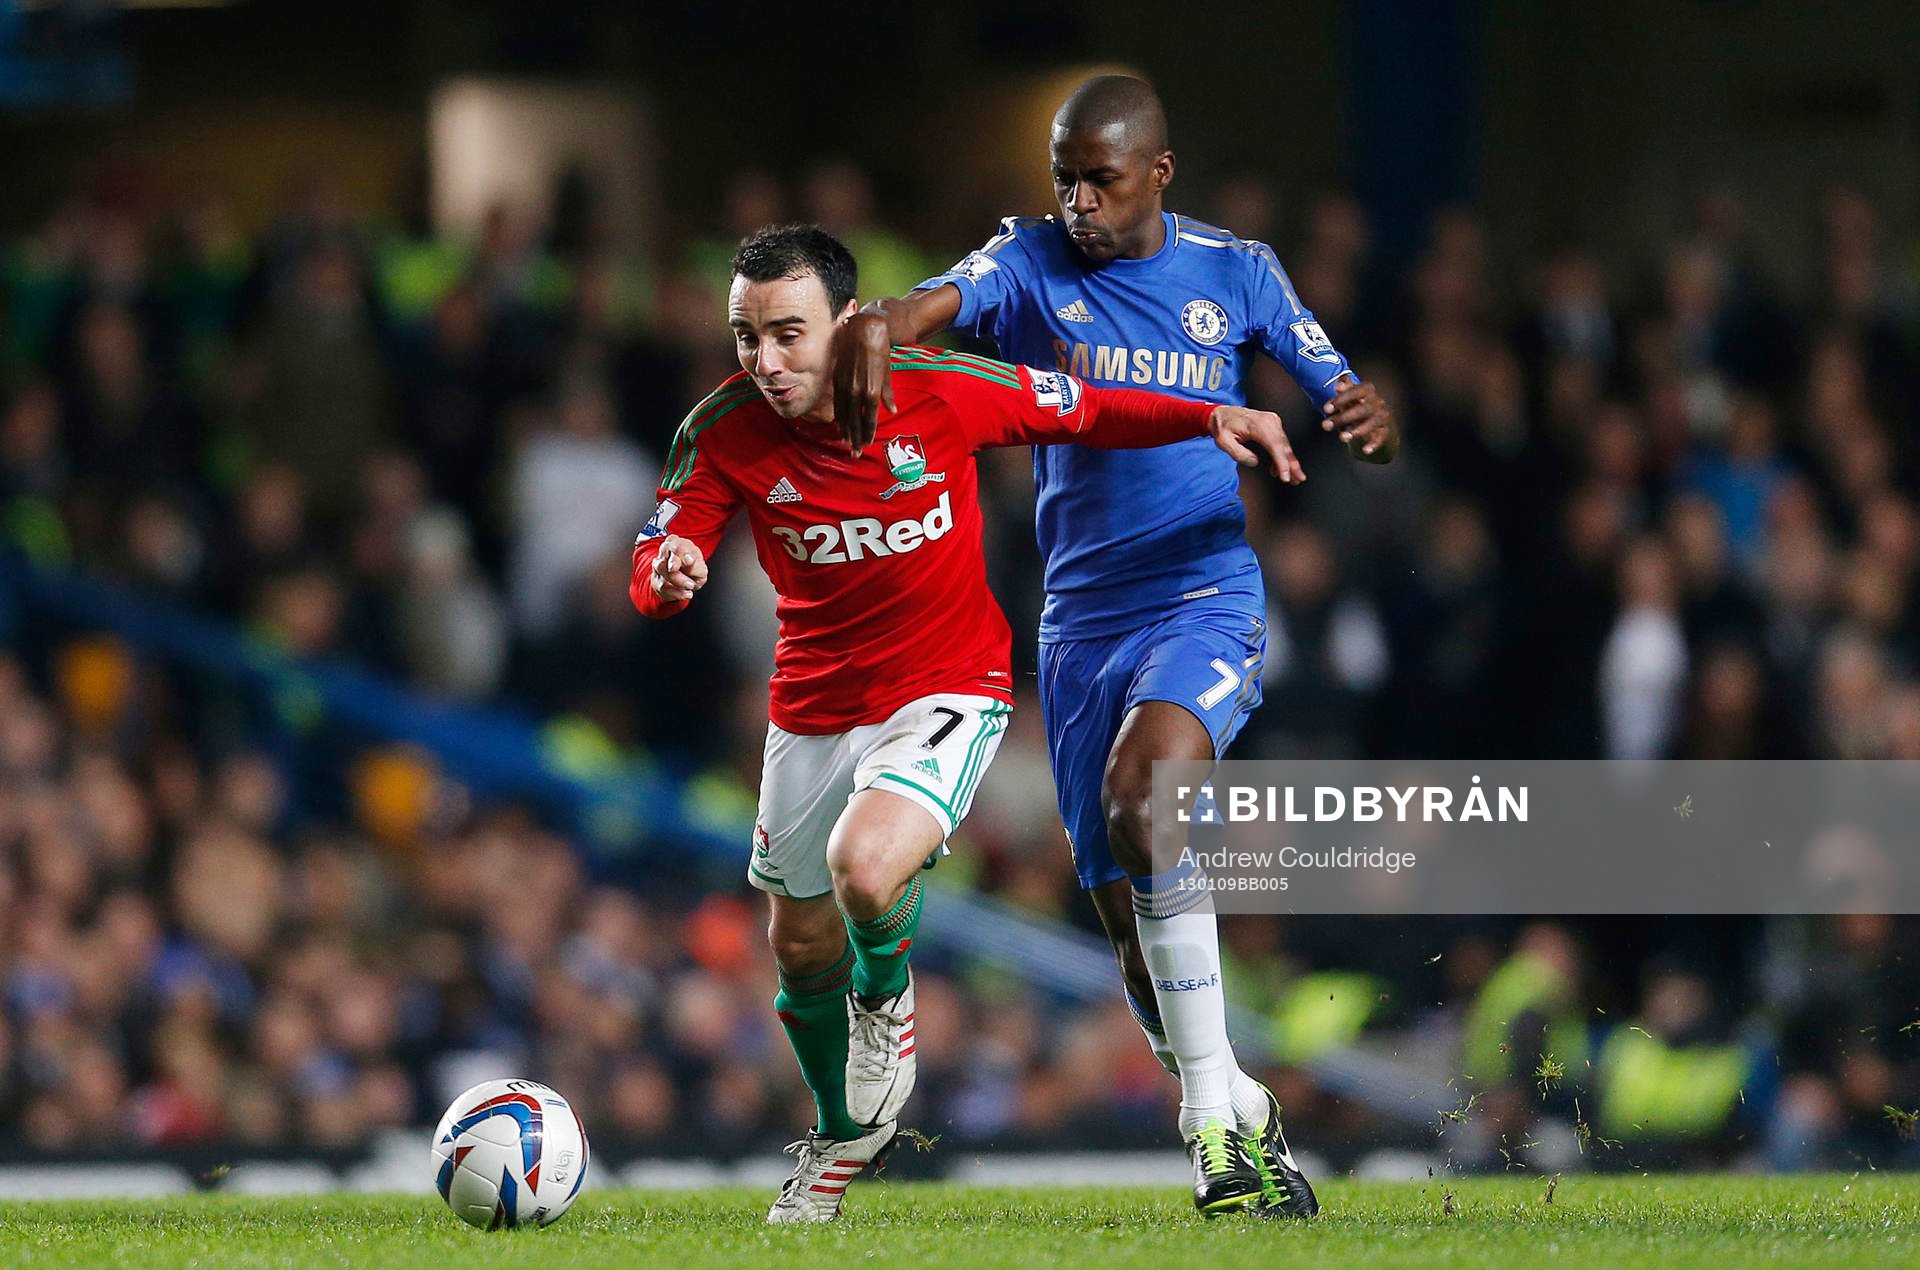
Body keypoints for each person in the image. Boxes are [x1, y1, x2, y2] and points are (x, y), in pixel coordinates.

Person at [630, 223, 1302, 1223]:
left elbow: (1089, 410)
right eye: (746, 337)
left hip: (948, 685)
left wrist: (1211, 416)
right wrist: (668, 576)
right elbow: (660, 547)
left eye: (787, 334)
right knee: (799, 942)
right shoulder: (722, 426)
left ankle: (888, 1006)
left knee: (867, 869)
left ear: (850, 325)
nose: (765, 361)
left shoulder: (937, 386)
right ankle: (841, 1130)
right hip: (811, 705)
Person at [832, 75, 1398, 1217]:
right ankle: (1235, 1096)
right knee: (1137, 950)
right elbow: (933, 302)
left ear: (1158, 174)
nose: (1078, 200)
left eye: (1099, 177)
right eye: (1065, 178)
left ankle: (1205, 1134)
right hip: (1080, 628)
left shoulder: (1237, 269)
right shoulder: (1028, 260)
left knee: (1153, 792)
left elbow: (1344, 390)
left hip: (1203, 594)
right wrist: (873, 324)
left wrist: (1367, 421)